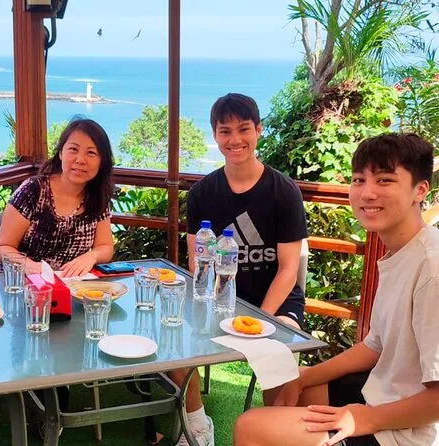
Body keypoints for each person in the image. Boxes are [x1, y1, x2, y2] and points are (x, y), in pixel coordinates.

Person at [233, 133, 439, 446]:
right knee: (292, 387)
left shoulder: (432, 268)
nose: (368, 193)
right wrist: (305, 376)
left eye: (385, 180)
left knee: (251, 427)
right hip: (382, 394)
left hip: (408, 429)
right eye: (359, 180)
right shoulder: (401, 252)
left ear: (420, 190)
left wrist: (364, 419)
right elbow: (375, 345)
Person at [168, 93, 309, 446]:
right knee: (173, 337)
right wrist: (212, 306)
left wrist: (261, 320)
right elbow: (197, 263)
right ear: (215, 135)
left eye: (244, 129)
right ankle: (197, 426)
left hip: (275, 301)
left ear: (258, 131)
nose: (235, 140)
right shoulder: (202, 193)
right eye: (225, 131)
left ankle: (274, 433)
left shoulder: (283, 191)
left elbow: (289, 269)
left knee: (281, 352)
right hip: (220, 298)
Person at [0, 117, 115, 277]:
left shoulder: (97, 195)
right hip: (17, 282)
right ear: (60, 153)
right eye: (73, 149)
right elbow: (3, 247)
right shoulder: (33, 190)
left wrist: (91, 256)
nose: (80, 160)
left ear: (102, 162)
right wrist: (28, 265)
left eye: (91, 153)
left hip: (68, 285)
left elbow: (105, 246)